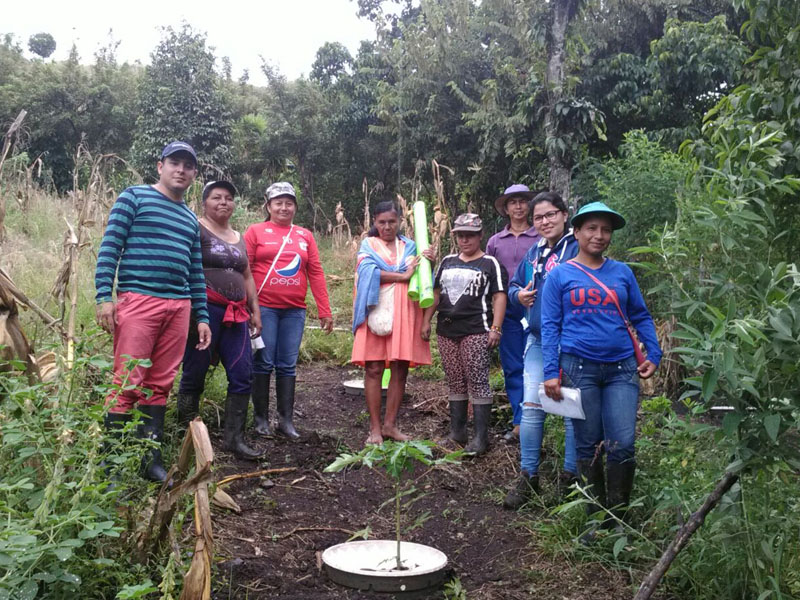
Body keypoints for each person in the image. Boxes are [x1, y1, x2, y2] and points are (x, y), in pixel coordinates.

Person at [541, 202, 661, 539]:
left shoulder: (622, 272)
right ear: (576, 232)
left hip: (623, 368)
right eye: (591, 228)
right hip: (578, 368)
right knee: (588, 443)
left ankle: (618, 520)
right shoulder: (560, 275)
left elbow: (640, 315)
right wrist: (551, 371)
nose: (599, 235)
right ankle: (597, 522)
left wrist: (655, 351)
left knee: (622, 443)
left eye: (605, 230)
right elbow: (550, 326)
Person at [95, 141, 211, 483]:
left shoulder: (190, 218)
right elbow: (110, 247)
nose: (181, 170)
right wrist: (105, 296)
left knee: (160, 384)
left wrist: (202, 316)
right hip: (139, 300)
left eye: (188, 166)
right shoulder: (134, 197)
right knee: (127, 380)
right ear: (160, 166)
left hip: (179, 307)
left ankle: (150, 461)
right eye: (174, 163)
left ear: (193, 174)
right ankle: (111, 464)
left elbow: (195, 271)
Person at [502, 191, 579, 509]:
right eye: (539, 218)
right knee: (532, 408)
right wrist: (518, 295)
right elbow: (513, 285)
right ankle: (528, 475)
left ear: (564, 215)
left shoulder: (577, 247)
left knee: (570, 410)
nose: (545, 221)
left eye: (551, 215)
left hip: (572, 340)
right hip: (536, 339)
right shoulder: (534, 251)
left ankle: (571, 479)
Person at [177, 180, 264, 460]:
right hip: (204, 313)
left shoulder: (238, 236)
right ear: (204, 202)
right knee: (195, 372)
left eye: (229, 197)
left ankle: (233, 439)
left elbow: (247, 275)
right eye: (217, 197)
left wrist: (255, 310)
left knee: (242, 374)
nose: (224, 202)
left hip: (237, 315)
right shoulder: (195, 228)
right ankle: (186, 435)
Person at [245, 182, 333, 440]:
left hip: (294, 311)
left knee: (287, 365)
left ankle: (286, 421)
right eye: (278, 203)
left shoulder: (304, 235)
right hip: (264, 308)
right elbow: (245, 269)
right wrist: (248, 307)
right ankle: (260, 420)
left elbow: (315, 272)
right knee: (263, 361)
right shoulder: (255, 231)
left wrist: (324, 309)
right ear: (269, 206)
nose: (284, 207)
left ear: (295, 206)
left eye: (289, 203)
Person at [421, 213, 507, 456]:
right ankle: (457, 432)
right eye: (460, 235)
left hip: (476, 329)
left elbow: (499, 296)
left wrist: (496, 327)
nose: (465, 240)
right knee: (455, 379)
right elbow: (436, 293)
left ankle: (481, 438)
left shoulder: (490, 263)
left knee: (477, 380)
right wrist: (426, 320)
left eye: (470, 235)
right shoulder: (447, 261)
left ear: (480, 235)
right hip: (447, 329)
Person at [352, 201, 434, 445]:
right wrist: (402, 275)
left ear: (399, 221)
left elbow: (423, 275)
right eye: (381, 222)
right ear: (374, 223)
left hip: (405, 310)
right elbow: (367, 272)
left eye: (391, 221)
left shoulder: (410, 246)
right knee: (374, 368)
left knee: (399, 369)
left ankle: (390, 426)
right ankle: (374, 429)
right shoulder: (368, 245)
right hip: (375, 308)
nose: (387, 226)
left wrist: (430, 259)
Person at [486, 184, 541, 443]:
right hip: (506, 310)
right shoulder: (495, 242)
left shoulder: (540, 236)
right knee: (512, 365)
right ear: (506, 209)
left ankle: (539, 419)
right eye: (513, 202)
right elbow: (488, 275)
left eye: (522, 201)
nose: (518, 206)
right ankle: (520, 421)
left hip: (538, 309)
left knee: (539, 364)